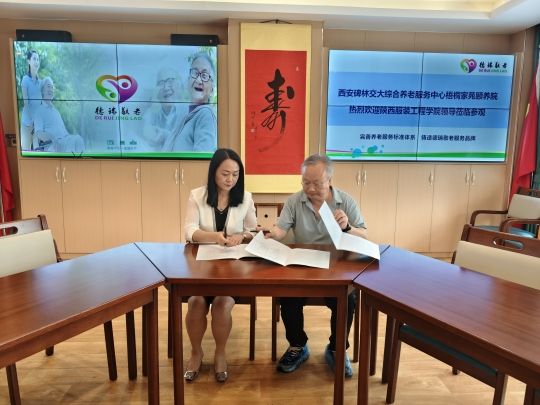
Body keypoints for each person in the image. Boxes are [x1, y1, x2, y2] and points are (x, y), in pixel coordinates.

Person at [265, 153, 368, 378]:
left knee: (348, 299)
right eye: (305, 183)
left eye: (317, 183)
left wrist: (348, 228)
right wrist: (270, 233)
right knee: (287, 294)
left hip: (336, 269)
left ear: (329, 180)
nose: (310, 189)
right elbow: (281, 230)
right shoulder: (294, 201)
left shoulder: (346, 201)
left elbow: (364, 236)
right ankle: (297, 346)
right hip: (302, 267)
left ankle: (337, 348)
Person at [183, 148, 257, 383]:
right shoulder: (197, 196)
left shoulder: (245, 198)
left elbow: (253, 231)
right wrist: (214, 237)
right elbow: (189, 231)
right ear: (213, 172)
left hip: (232, 269)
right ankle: (196, 353)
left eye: (235, 174)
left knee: (222, 304)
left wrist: (242, 236)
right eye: (225, 174)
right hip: (202, 268)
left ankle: (220, 353)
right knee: (195, 303)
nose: (230, 179)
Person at [162, 52, 217, 152]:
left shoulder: (205, 115)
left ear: (212, 89)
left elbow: (202, 159)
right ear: (188, 81)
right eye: (195, 73)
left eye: (204, 76)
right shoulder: (184, 116)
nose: (198, 80)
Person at [33, 77, 85, 153]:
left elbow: (64, 132)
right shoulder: (39, 110)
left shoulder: (56, 111)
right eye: (48, 86)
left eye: (52, 87)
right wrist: (52, 138)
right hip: (51, 145)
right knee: (73, 144)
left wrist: (69, 137)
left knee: (78, 139)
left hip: (64, 141)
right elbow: (39, 133)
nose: (51, 90)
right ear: (42, 90)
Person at [141, 67, 185, 150]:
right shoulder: (152, 112)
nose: (166, 87)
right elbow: (145, 130)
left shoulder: (188, 111)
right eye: (161, 83)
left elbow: (189, 142)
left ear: (178, 86)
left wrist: (166, 136)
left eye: (170, 81)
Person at [20, 49, 42, 151]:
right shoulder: (25, 80)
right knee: (26, 151)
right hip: (27, 123)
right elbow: (26, 103)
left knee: (38, 152)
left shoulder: (40, 82)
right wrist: (32, 121)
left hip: (37, 124)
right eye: (34, 59)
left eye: (38, 59)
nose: (36, 61)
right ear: (29, 61)